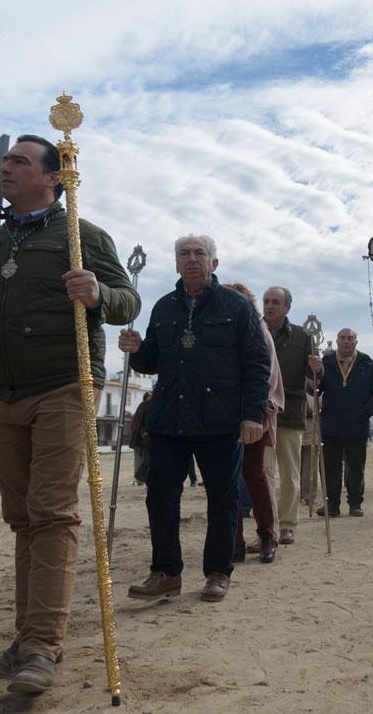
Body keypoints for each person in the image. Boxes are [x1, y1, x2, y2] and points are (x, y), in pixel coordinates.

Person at [0, 133, 138, 695]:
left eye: (19, 161)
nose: (7, 168)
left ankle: (41, 648)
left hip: (61, 388)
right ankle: (26, 640)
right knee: (23, 519)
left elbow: (127, 300)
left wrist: (98, 295)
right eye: (5, 161)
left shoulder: (83, 237)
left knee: (53, 515)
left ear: (54, 177)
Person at [119, 235, 268, 605]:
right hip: (169, 418)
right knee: (161, 496)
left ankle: (218, 572)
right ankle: (166, 572)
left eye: (199, 254)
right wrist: (137, 350)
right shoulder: (164, 307)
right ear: (175, 264)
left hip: (219, 420)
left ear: (214, 263)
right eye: (184, 254)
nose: (192, 260)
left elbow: (256, 363)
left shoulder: (237, 307)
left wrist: (252, 416)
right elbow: (153, 360)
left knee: (222, 498)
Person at [229, 282, 283, 566]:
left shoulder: (258, 331)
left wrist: (255, 409)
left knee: (254, 474)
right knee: (226, 479)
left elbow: (266, 374)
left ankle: (267, 536)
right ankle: (233, 541)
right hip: (222, 414)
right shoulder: (220, 327)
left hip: (253, 411)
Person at [262, 286, 318, 546]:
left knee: (290, 474)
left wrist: (319, 370)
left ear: (287, 308)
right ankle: (268, 527)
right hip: (259, 412)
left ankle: (287, 525)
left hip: (290, 411)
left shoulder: (302, 336)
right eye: (266, 301)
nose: (269, 306)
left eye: (275, 302)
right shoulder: (253, 330)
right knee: (263, 473)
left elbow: (314, 382)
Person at [311, 328, 373, 517]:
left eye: (350, 338)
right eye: (342, 338)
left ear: (356, 342)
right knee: (329, 467)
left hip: (357, 424)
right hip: (331, 423)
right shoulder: (325, 362)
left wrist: (367, 410)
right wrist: (314, 381)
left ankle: (355, 503)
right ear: (337, 341)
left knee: (356, 466)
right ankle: (332, 505)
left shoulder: (367, 363)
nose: (346, 342)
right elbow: (314, 391)